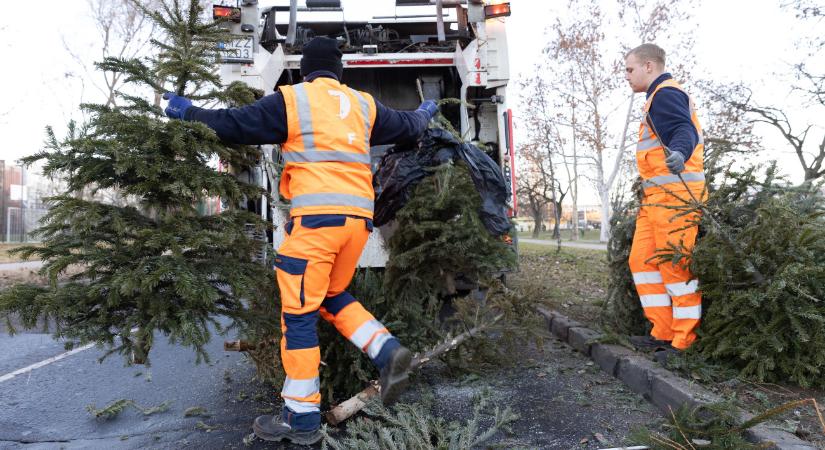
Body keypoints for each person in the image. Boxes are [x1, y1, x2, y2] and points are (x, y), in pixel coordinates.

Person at [164, 36, 438, 445]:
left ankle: (301, 416)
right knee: (331, 295)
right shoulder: (363, 105)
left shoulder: (292, 100)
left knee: (299, 316)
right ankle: (386, 351)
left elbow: (233, 124)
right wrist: (426, 110)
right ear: (339, 71)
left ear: (306, 69)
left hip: (315, 225)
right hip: (357, 224)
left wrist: (187, 112)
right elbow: (409, 125)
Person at [623, 43, 705, 360]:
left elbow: (684, 130)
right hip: (655, 198)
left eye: (630, 69)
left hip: (677, 197)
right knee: (641, 262)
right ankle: (664, 331)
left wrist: (680, 153)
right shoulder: (654, 100)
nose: (627, 76)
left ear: (649, 66)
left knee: (675, 265)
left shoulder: (666, 94)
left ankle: (683, 343)